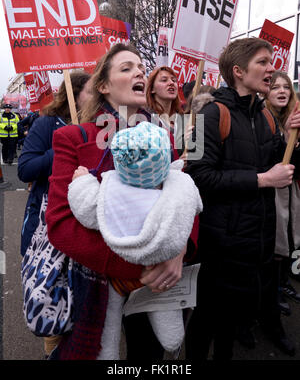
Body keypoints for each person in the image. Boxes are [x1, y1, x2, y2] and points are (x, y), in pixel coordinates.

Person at [45, 43, 198, 360]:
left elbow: (182, 195)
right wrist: (138, 261)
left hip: (155, 281)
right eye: (126, 68)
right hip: (102, 280)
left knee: (151, 354)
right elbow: (60, 225)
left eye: (141, 67)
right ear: (103, 85)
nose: (140, 71)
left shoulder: (163, 135)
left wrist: (177, 250)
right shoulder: (74, 137)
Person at [185, 37, 300, 360]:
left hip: (254, 245)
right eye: (262, 62)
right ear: (238, 71)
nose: (271, 69)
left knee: (230, 325)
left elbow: (284, 165)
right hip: (220, 247)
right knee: (205, 321)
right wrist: (262, 180)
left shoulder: (265, 118)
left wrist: (294, 139)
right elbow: (196, 176)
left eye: (271, 61)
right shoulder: (209, 113)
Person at [68, 121, 202, 359]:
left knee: (109, 321)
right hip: (157, 271)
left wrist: (81, 181)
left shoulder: (112, 189)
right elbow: (194, 205)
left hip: (116, 277)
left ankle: (108, 352)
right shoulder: (178, 185)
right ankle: (172, 335)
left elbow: (86, 209)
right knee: (162, 300)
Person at [18, 71, 91, 358]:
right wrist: (64, 146)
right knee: (52, 299)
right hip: (46, 227)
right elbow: (26, 168)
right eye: (90, 90)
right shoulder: (48, 123)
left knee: (82, 302)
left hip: (84, 226)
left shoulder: (102, 127)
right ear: (73, 93)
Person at [265, 71, 300, 314]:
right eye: (275, 86)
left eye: (285, 86)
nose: (281, 91)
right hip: (270, 192)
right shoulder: (263, 118)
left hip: (290, 192)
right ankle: (271, 295)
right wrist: (285, 138)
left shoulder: (294, 120)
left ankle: (281, 284)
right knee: (274, 245)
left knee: (289, 240)